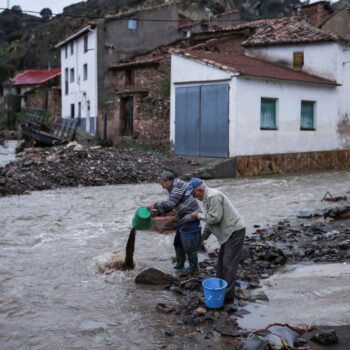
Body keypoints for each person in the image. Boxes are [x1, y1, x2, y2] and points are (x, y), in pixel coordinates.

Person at [187, 177, 246, 303]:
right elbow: (209, 224)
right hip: (227, 234)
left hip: (234, 231)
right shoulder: (207, 199)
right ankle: (220, 289)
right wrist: (201, 239)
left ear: (199, 190)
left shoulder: (213, 196)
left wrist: (198, 216)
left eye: (194, 194)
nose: (195, 198)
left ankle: (227, 297)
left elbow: (214, 218)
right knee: (220, 264)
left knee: (228, 265)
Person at [148, 171, 201, 273]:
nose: (162, 186)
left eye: (162, 183)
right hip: (183, 218)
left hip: (191, 217)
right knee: (178, 243)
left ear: (167, 181)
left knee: (189, 244)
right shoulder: (173, 188)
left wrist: (155, 205)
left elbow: (171, 203)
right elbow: (172, 205)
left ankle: (194, 268)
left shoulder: (178, 185)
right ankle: (180, 265)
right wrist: (158, 212)